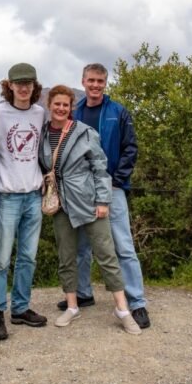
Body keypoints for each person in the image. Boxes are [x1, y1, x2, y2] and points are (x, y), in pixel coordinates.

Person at [39, 85, 141, 334]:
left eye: (66, 104)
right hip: (61, 204)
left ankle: (123, 308)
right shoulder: (42, 134)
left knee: (107, 254)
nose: (61, 108)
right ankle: (72, 306)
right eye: (57, 104)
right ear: (49, 105)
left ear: (71, 107)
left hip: (88, 200)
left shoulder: (85, 132)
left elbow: (100, 167)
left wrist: (103, 201)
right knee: (67, 255)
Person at [62, 63, 151, 329]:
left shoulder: (118, 112)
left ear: (105, 83)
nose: (95, 85)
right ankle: (83, 293)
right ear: (83, 81)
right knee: (81, 247)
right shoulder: (73, 112)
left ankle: (137, 303)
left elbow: (130, 148)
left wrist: (116, 180)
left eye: (100, 81)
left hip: (112, 189)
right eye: (91, 80)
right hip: (79, 191)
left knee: (123, 246)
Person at [0, 63, 48, 340]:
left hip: (33, 196)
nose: (24, 88)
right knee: (1, 259)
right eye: (18, 83)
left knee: (27, 258)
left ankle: (20, 308)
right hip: (7, 196)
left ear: (34, 86)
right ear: (9, 85)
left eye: (29, 83)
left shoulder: (39, 113)